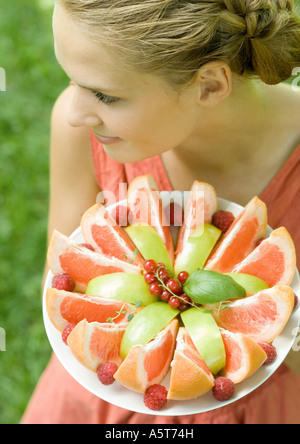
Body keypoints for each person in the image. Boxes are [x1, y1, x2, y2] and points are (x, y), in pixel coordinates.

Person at [22, 0, 300, 424]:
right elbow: (65, 293)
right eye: (71, 80)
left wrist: (276, 322)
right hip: (109, 395)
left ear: (209, 86)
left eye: (104, 95)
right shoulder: (80, 132)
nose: (75, 111)